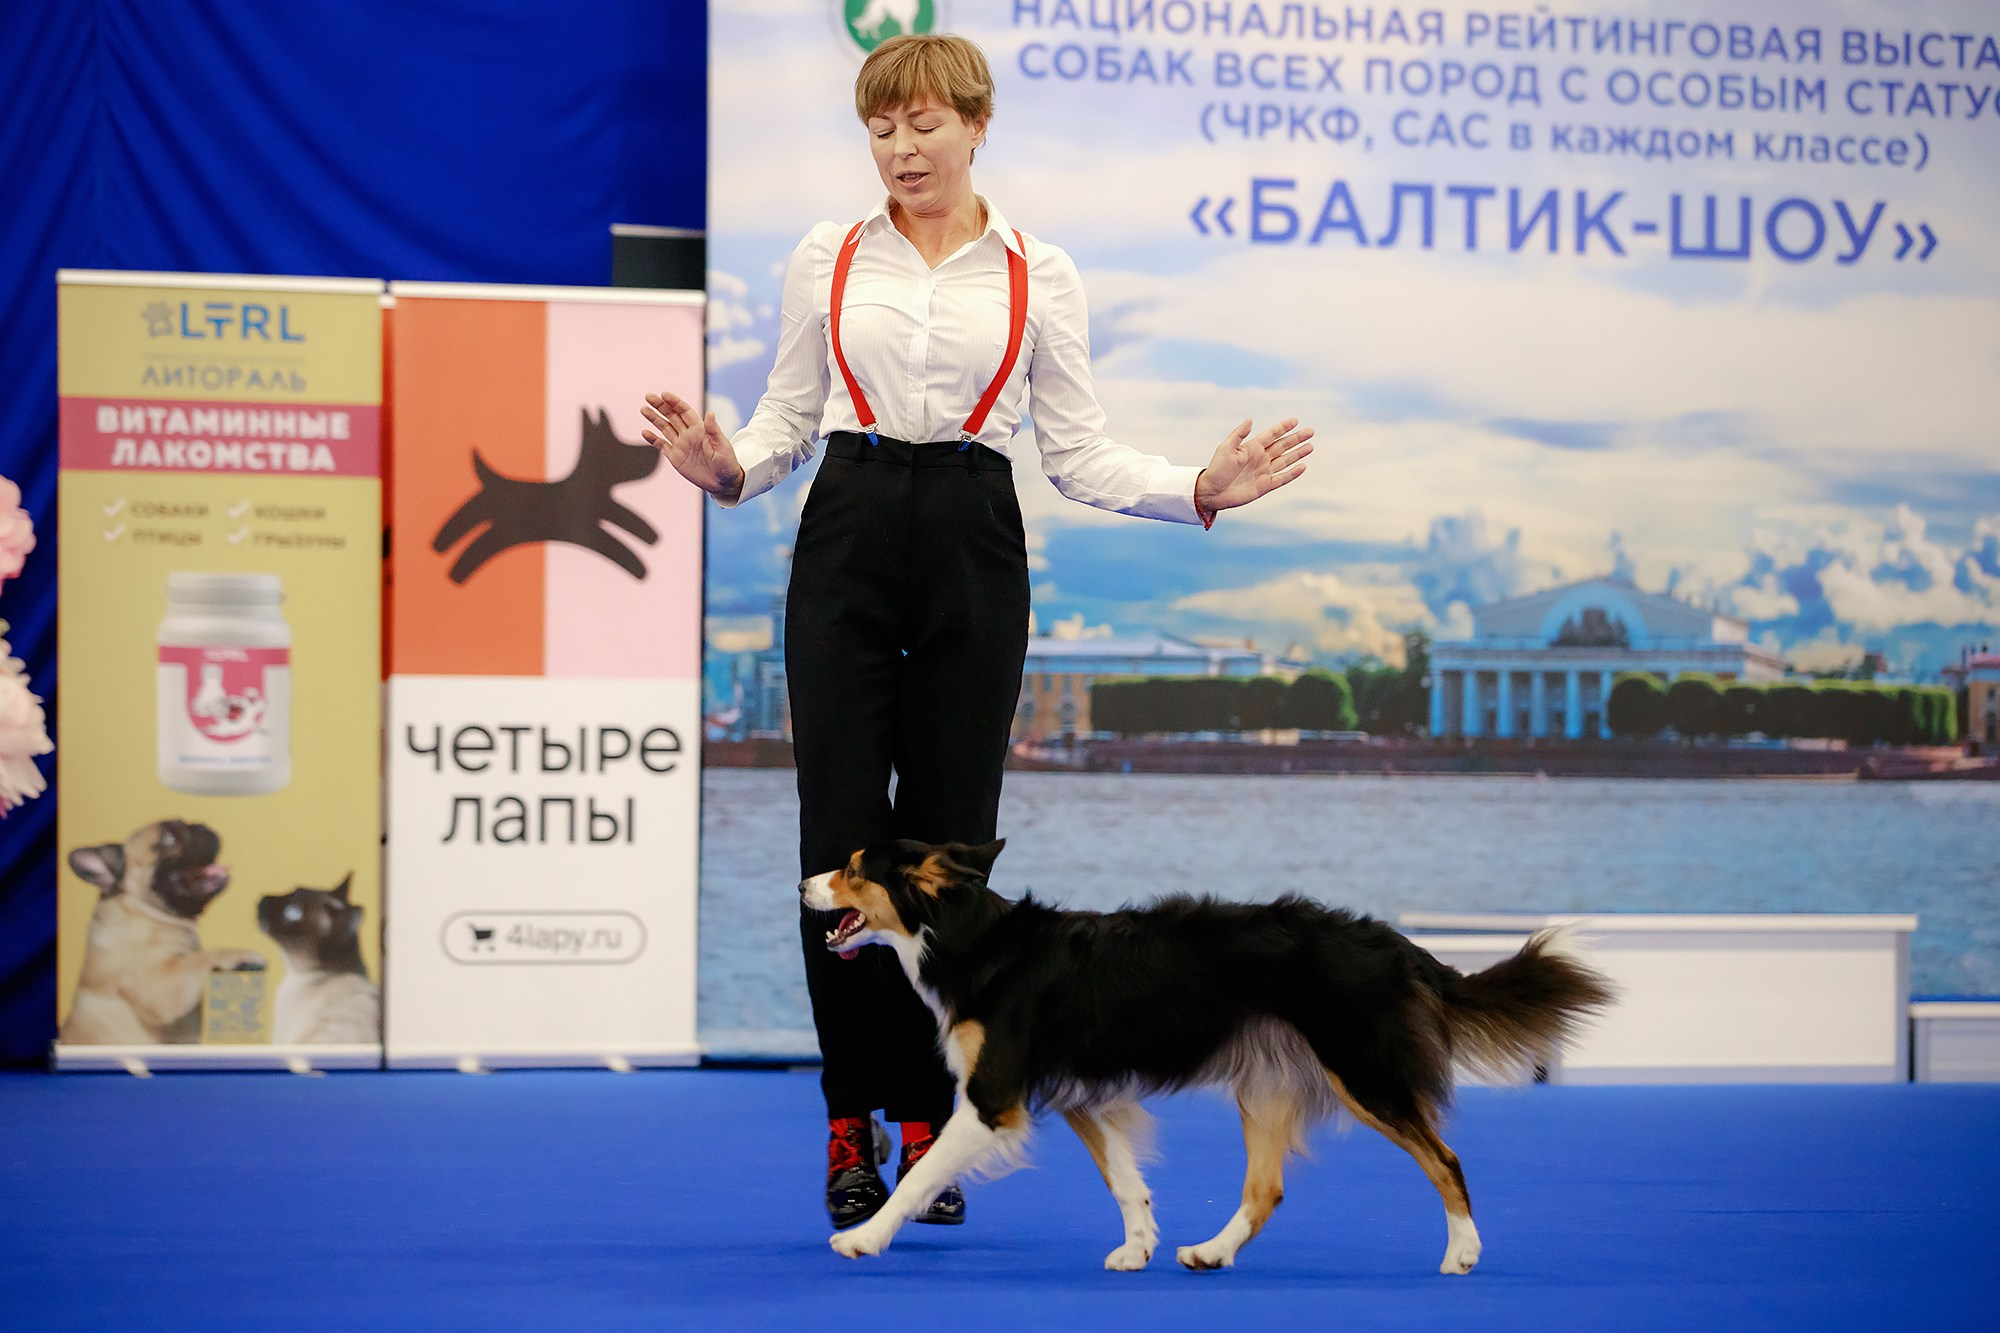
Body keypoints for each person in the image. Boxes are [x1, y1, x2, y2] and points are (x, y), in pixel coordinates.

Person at [642, 33, 1312, 1231]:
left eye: (922, 125)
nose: (900, 149)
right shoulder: (827, 255)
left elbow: (1079, 453)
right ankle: (851, 1122)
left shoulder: (1038, 272)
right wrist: (723, 466)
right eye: (879, 129)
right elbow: (785, 418)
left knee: (951, 856)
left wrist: (1198, 488)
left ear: (974, 124)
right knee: (839, 852)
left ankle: (927, 1120)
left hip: (973, 534)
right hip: (846, 528)